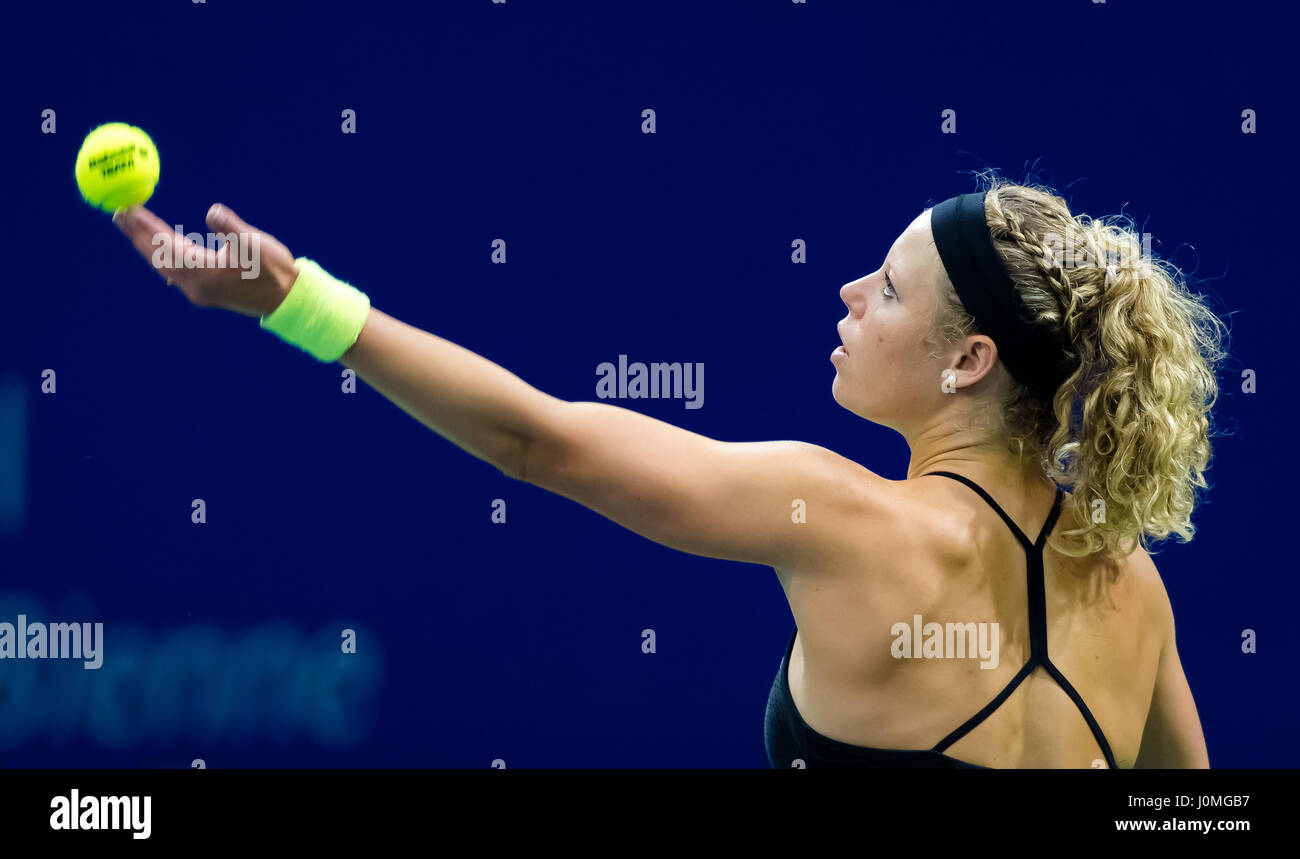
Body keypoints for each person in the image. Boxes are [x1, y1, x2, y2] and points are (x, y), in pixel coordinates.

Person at [111, 174, 1224, 768]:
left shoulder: (842, 516)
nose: (847, 295)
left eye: (887, 289)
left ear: (968, 361)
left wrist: (296, 301)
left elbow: (536, 441)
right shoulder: (1130, 587)